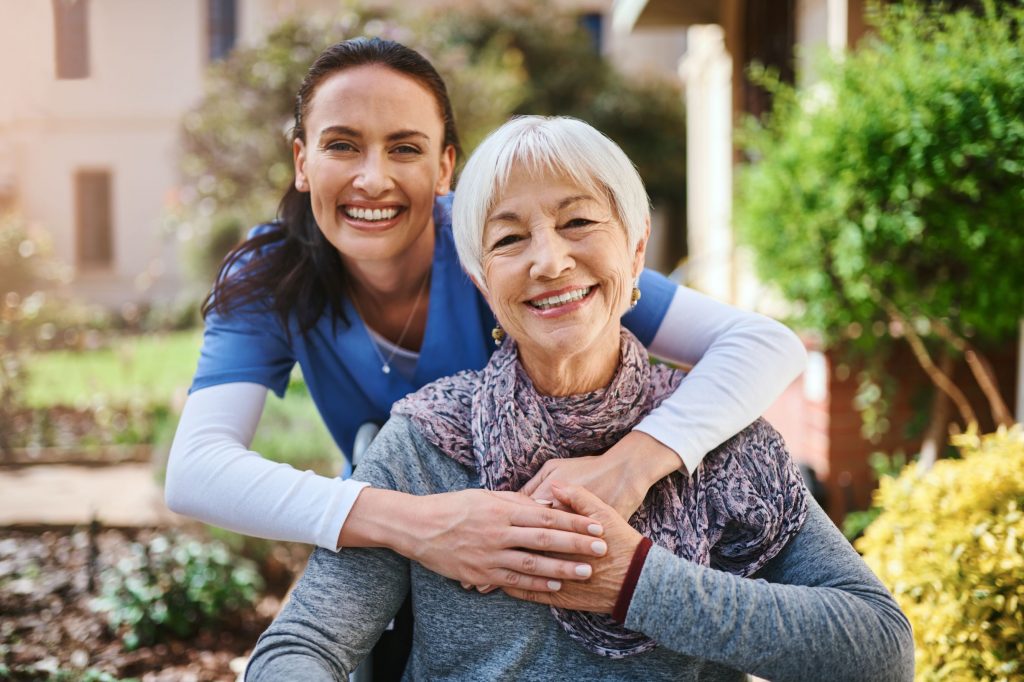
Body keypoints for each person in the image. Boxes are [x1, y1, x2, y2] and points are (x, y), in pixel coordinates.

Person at [244, 116, 914, 681]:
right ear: (483, 284)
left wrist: (634, 581)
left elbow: (881, 649)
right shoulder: (426, 443)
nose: (550, 261)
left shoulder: (724, 440)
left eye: (579, 222)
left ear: (636, 251)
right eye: (509, 239)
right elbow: (301, 647)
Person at [165, 37, 807, 596]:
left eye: (405, 149)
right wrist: (423, 525)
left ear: (446, 167)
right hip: (390, 550)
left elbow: (763, 344)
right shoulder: (269, 275)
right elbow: (196, 469)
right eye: (342, 145)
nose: (372, 178)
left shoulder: (504, 253)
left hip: (557, 539)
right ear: (302, 162)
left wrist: (634, 463)